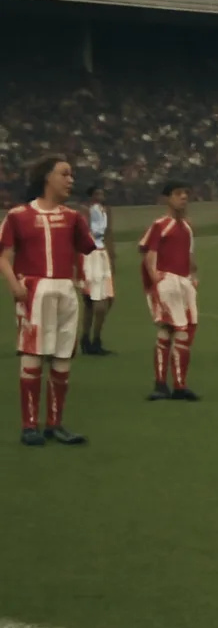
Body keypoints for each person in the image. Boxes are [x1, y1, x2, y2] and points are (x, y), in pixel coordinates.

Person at [0, 155, 96, 446]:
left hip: (65, 289)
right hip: (35, 288)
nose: (71, 180)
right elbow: (4, 255)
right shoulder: (18, 215)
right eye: (65, 174)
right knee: (33, 355)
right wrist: (14, 284)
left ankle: (55, 423)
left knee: (62, 355)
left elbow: (87, 248)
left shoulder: (73, 217)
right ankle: (29, 425)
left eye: (71, 175)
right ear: (47, 178)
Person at [139, 180, 199, 401]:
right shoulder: (160, 224)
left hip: (184, 282)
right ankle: (169, 385)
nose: (183, 197)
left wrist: (194, 276)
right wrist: (156, 278)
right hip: (167, 281)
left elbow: (190, 254)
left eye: (185, 193)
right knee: (175, 330)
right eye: (178, 193)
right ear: (167, 198)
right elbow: (149, 253)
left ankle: (172, 385)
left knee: (176, 332)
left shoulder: (188, 227)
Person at [79, 185, 116, 355]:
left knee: (99, 301)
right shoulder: (85, 210)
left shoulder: (105, 210)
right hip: (91, 255)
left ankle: (87, 339)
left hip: (101, 256)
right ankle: (94, 341)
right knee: (97, 302)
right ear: (91, 195)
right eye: (98, 193)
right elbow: (83, 233)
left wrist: (111, 255)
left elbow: (108, 233)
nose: (101, 196)